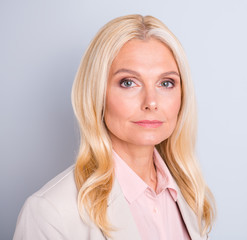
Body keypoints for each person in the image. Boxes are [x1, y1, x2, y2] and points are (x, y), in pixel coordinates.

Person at [13, 14, 216, 240]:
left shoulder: (189, 194)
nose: (151, 102)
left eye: (166, 83)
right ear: (97, 93)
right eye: (128, 82)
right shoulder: (50, 213)